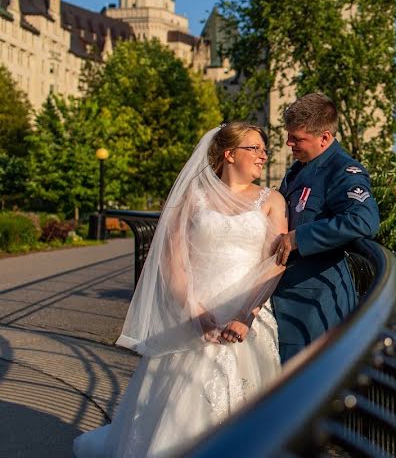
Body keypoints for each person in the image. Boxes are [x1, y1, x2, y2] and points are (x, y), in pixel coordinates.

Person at [74, 123, 288, 458]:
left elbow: (275, 264)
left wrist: (246, 315)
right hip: (193, 309)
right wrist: (195, 313)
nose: (264, 155)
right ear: (229, 154)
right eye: (255, 148)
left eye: (264, 149)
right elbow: (172, 261)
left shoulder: (272, 200)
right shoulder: (192, 196)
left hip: (247, 312)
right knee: (177, 402)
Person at [272, 92, 380, 363]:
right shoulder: (299, 169)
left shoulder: (343, 172)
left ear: (325, 138)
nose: (289, 143)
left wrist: (300, 237)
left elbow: (364, 220)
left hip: (314, 304)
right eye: (289, 135)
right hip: (286, 298)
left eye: (297, 138)